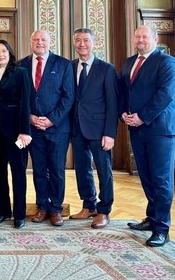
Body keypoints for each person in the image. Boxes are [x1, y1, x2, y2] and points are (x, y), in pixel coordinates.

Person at [120, 25, 175, 247]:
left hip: (159, 130)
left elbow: (165, 95)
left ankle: (162, 228)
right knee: (146, 176)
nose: (140, 39)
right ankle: (152, 218)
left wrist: (142, 116)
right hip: (136, 128)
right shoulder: (128, 62)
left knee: (162, 179)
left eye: (145, 36)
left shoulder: (166, 62)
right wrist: (123, 112)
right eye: (138, 36)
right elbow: (123, 91)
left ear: (155, 38)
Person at [17, 29, 74, 226]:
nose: (39, 42)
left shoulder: (64, 64)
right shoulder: (21, 65)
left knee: (57, 169)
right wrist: (30, 118)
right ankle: (42, 206)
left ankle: (56, 209)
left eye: (43, 39)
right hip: (33, 128)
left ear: (50, 42)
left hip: (57, 128)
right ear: (30, 41)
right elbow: (18, 98)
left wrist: (51, 120)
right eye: (36, 39)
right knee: (39, 169)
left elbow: (68, 97)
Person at [69, 28, 118, 229]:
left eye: (86, 40)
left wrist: (110, 133)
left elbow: (113, 103)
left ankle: (104, 210)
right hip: (76, 127)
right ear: (74, 43)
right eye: (78, 40)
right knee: (82, 168)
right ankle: (88, 205)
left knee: (104, 170)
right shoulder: (70, 67)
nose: (82, 44)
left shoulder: (106, 69)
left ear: (94, 43)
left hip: (99, 129)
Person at [0, 39, 32, 229]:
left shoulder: (20, 72)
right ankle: (2, 211)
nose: (0, 54)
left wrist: (25, 131)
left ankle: (19, 214)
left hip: (16, 131)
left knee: (18, 173)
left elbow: (26, 103)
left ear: (10, 53)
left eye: (3, 51)